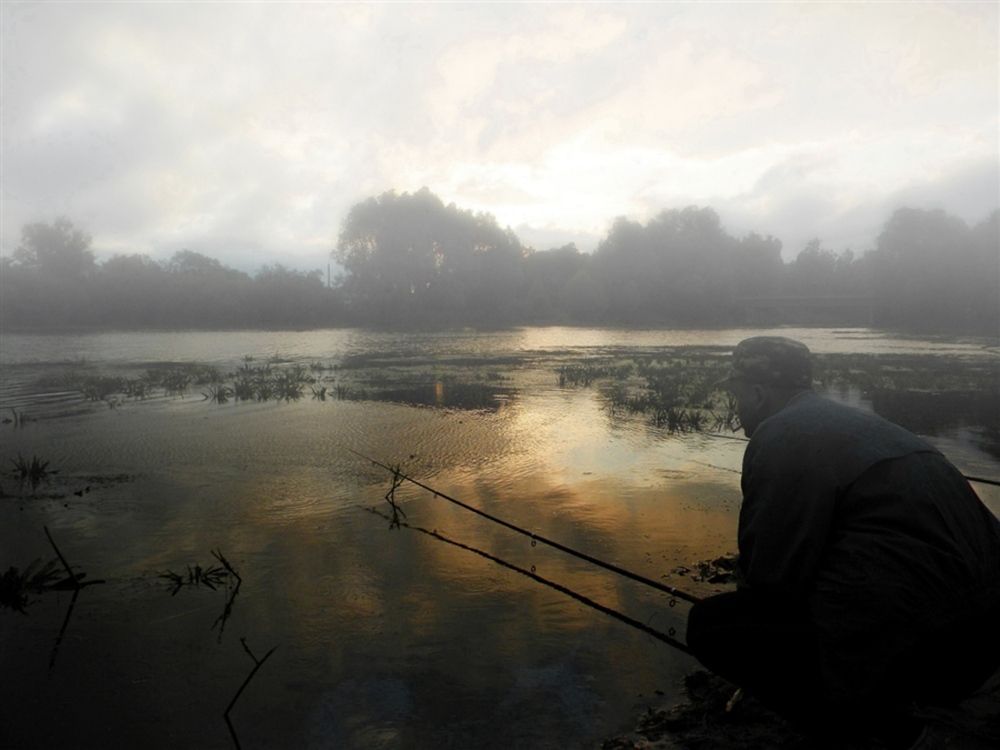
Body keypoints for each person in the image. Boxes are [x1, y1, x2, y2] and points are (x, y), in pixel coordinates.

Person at [686, 336, 1000, 749]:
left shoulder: (779, 435)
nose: (737, 407)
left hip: (937, 654)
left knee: (713, 628)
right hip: (988, 639)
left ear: (759, 393)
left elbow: (772, 583)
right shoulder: (856, 424)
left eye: (738, 394)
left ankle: (892, 734)